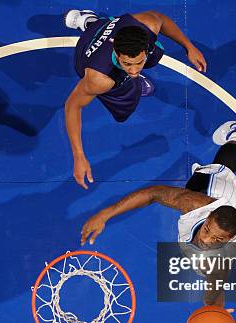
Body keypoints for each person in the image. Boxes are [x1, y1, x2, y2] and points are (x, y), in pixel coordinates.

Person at [80, 120, 236, 307]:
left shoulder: (221, 259)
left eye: (217, 239)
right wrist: (105, 214)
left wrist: (214, 311)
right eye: (208, 230)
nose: (206, 239)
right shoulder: (197, 204)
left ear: (230, 239)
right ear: (208, 217)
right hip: (218, 193)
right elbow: (153, 193)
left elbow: (215, 291)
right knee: (231, 177)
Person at [64, 9, 207, 189]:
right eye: (127, 64)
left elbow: (161, 19)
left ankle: (91, 22)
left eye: (138, 63)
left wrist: (189, 46)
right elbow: (72, 106)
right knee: (124, 109)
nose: (133, 70)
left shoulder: (148, 23)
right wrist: (78, 155)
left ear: (144, 47)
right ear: (116, 51)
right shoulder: (99, 80)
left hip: (104, 29)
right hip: (87, 58)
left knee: (156, 55)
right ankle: (91, 25)